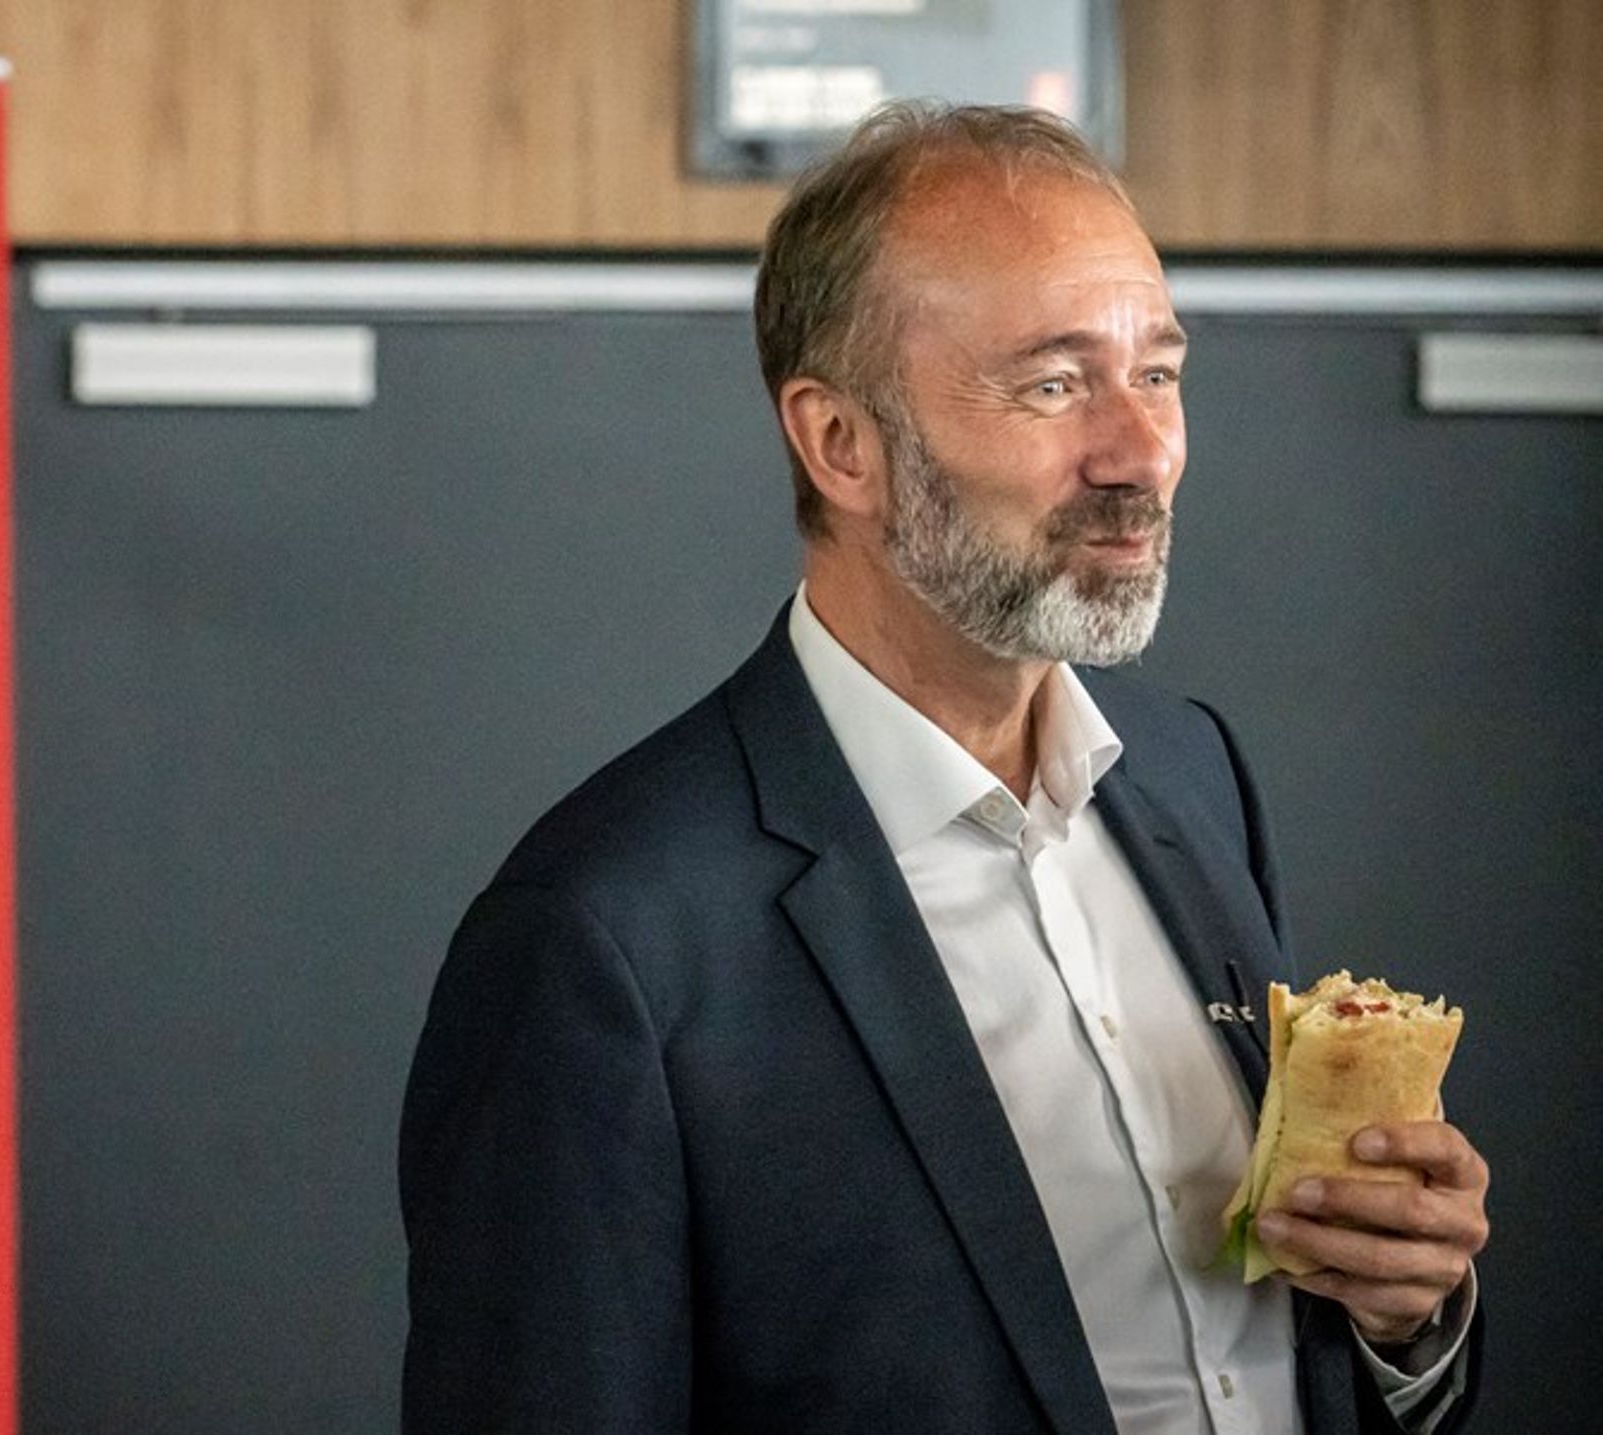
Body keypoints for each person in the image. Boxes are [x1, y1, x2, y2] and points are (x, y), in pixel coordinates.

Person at [398, 102, 1488, 1434]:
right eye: (1052, 383)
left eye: (1158, 373)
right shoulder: (604, 938)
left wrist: (1399, 1323)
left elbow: (1276, 1361)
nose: (1141, 455)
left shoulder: (1194, 778)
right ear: (839, 444)